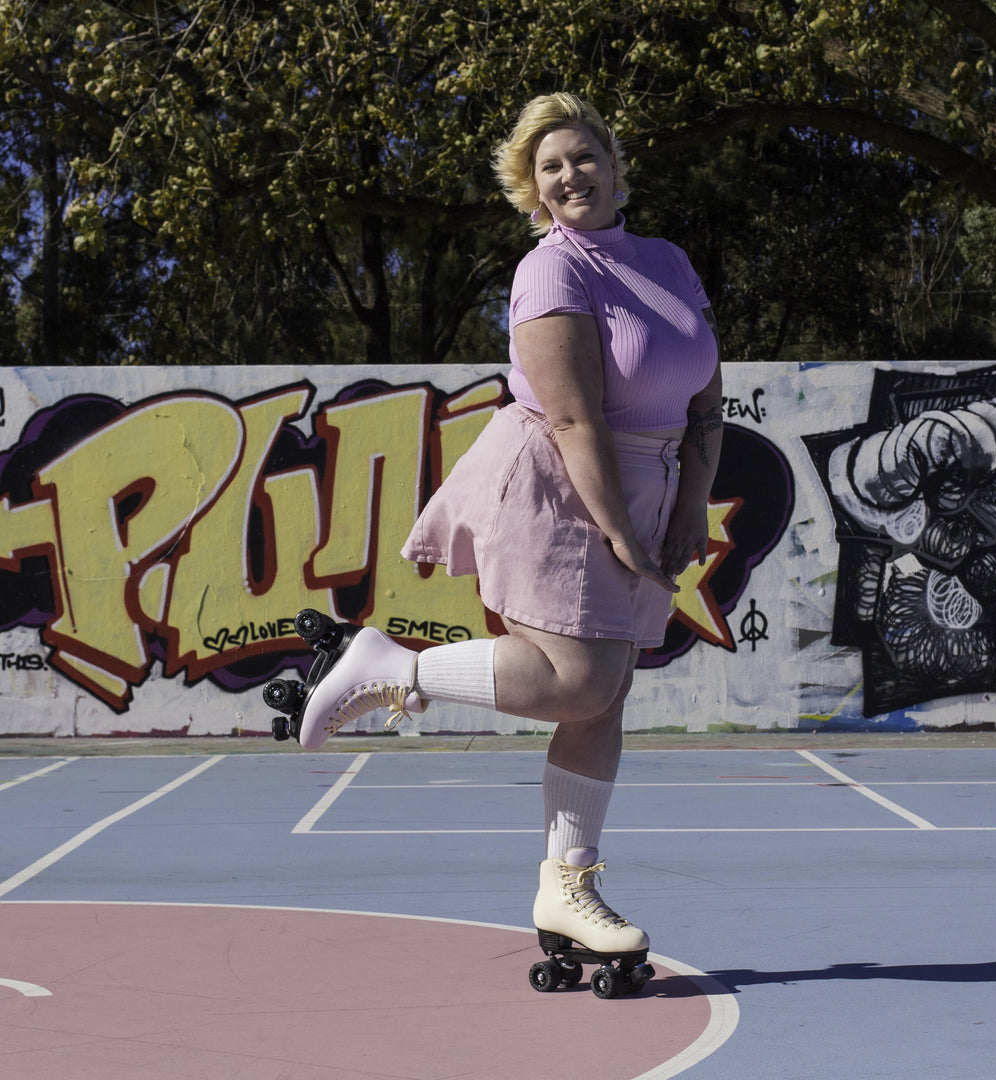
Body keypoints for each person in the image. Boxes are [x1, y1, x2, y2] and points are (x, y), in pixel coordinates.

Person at [295, 92, 723, 965]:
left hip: (648, 486)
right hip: (557, 482)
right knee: (575, 682)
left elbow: (706, 397)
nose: (572, 175)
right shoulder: (552, 271)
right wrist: (618, 531)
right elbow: (572, 421)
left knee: (605, 694)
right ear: (533, 188)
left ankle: (569, 886)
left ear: (614, 163)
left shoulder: (669, 261)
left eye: (584, 156)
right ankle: (395, 666)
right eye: (550, 166)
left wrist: (687, 506)